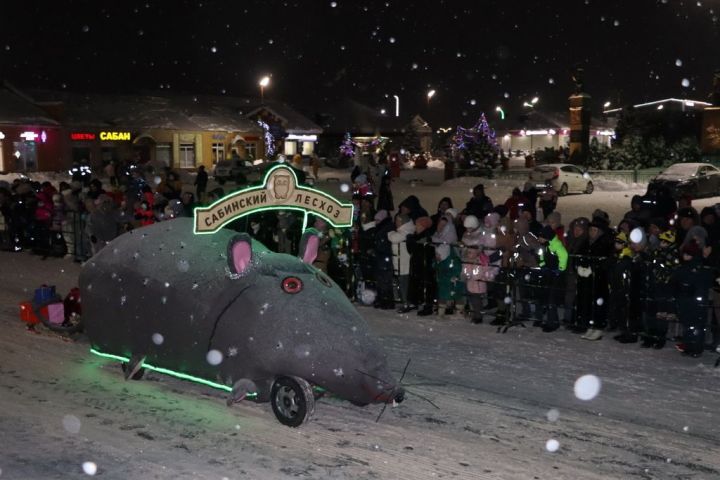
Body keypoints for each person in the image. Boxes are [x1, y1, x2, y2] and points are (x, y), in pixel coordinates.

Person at [672, 240, 714, 357]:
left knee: (696, 326)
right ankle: (689, 345)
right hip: (687, 300)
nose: (685, 256)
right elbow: (676, 280)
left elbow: (704, 283)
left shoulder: (700, 268)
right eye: (684, 254)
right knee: (688, 324)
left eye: (688, 254)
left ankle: (695, 347)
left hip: (695, 301)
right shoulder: (685, 267)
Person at [389, 213, 416, 312]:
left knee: (404, 285)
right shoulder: (404, 231)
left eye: (397, 220)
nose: (395, 222)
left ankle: (406, 303)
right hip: (401, 263)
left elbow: (393, 238)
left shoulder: (405, 232)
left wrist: (390, 233)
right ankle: (404, 302)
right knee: (402, 284)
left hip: (404, 263)